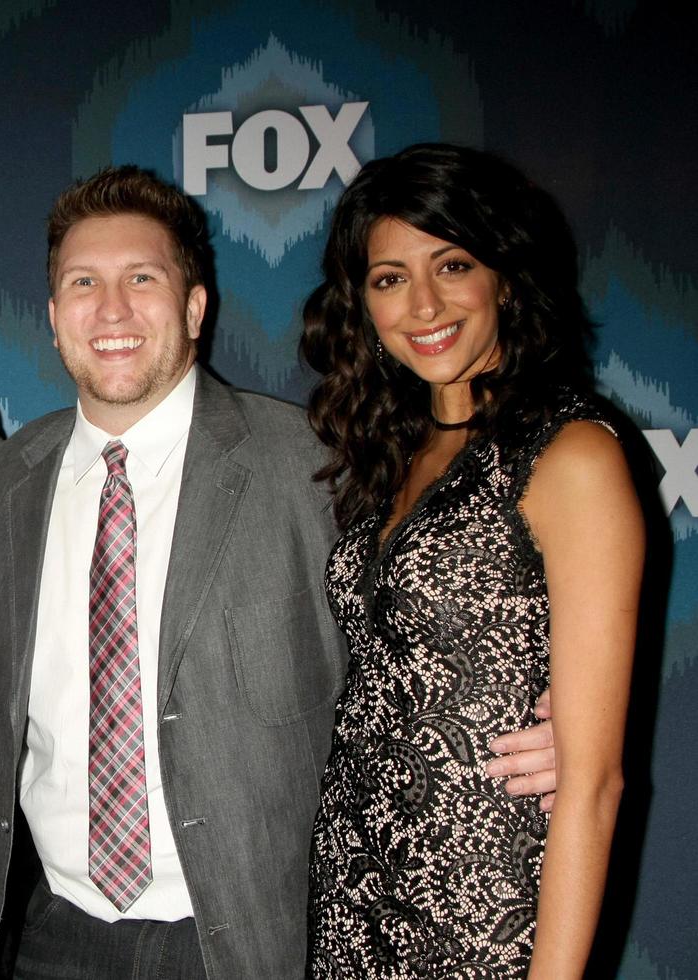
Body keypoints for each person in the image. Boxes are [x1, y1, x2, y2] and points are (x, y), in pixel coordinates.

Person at [0, 166, 563, 979]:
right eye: (84, 283)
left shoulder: (319, 468)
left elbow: (427, 640)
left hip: (250, 940)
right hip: (54, 935)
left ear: (195, 308)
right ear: (55, 318)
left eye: (143, 278)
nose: (114, 309)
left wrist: (557, 722)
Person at [299, 143, 640, 978]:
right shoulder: (394, 456)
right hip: (355, 894)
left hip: (483, 907)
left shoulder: (570, 455)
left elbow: (591, 787)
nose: (423, 303)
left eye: (451, 264)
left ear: (505, 277)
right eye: (388, 278)